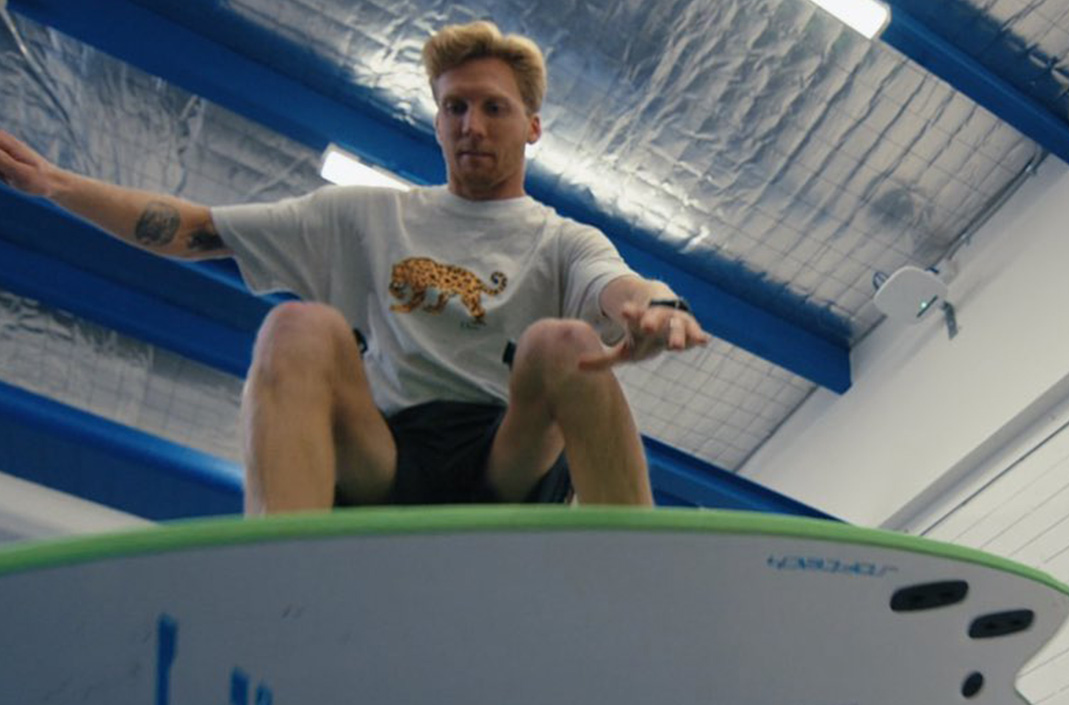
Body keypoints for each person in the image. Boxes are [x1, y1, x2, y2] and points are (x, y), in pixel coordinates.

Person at [0, 20, 707, 514]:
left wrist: (660, 310)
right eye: (454, 107)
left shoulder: (559, 239)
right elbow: (194, 229)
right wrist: (54, 184)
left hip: (507, 457)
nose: (472, 125)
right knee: (294, 328)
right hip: (385, 455)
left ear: (532, 126)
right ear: (435, 121)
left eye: (495, 108)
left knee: (566, 343)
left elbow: (619, 287)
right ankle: (282, 581)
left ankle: (633, 574)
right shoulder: (367, 216)